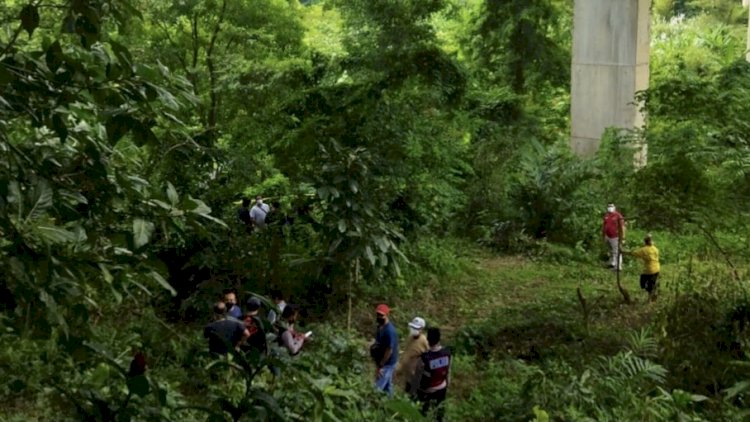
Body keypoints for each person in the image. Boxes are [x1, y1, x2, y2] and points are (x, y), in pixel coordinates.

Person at [410, 327, 451, 422]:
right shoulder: (447, 353)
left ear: (428, 340)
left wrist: (413, 392)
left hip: (427, 390)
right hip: (442, 387)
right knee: (440, 412)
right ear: (439, 339)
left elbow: (417, 377)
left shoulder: (424, 357)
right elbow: (448, 371)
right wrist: (447, 384)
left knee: (423, 413)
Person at [371, 304, 399, 397]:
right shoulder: (380, 327)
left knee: (377, 387)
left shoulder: (390, 331)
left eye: (381, 315)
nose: (379, 317)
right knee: (388, 386)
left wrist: (381, 365)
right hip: (382, 358)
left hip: (388, 362)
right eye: (378, 314)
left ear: (387, 315)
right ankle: (391, 403)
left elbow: (389, 350)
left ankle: (372, 403)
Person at [395, 317, 429, 393]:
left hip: (416, 376)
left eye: (416, 328)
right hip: (408, 374)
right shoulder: (410, 338)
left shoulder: (424, 341)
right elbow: (407, 353)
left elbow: (429, 356)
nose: (414, 329)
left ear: (421, 329)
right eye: (412, 327)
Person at [624, 235, 661, 302]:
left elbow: (633, 253)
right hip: (657, 268)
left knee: (643, 283)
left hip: (649, 270)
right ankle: (653, 293)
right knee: (652, 283)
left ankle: (650, 298)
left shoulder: (643, 250)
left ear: (645, 242)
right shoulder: (655, 249)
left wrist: (623, 251)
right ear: (652, 242)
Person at [602, 203, 626, 270]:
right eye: (609, 206)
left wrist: (623, 237)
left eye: (611, 206)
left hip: (615, 236)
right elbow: (604, 226)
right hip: (608, 236)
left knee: (617, 251)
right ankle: (612, 263)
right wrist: (603, 236)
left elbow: (622, 227)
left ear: (614, 207)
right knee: (611, 250)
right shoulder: (606, 215)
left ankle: (618, 266)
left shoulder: (618, 215)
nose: (610, 207)